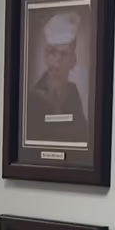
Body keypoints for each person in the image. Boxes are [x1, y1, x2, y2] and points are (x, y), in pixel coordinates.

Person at [27, 9, 88, 144]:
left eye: (64, 54)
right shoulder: (32, 99)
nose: (56, 63)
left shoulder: (73, 93)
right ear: (45, 56)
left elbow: (84, 139)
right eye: (52, 53)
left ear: (73, 60)